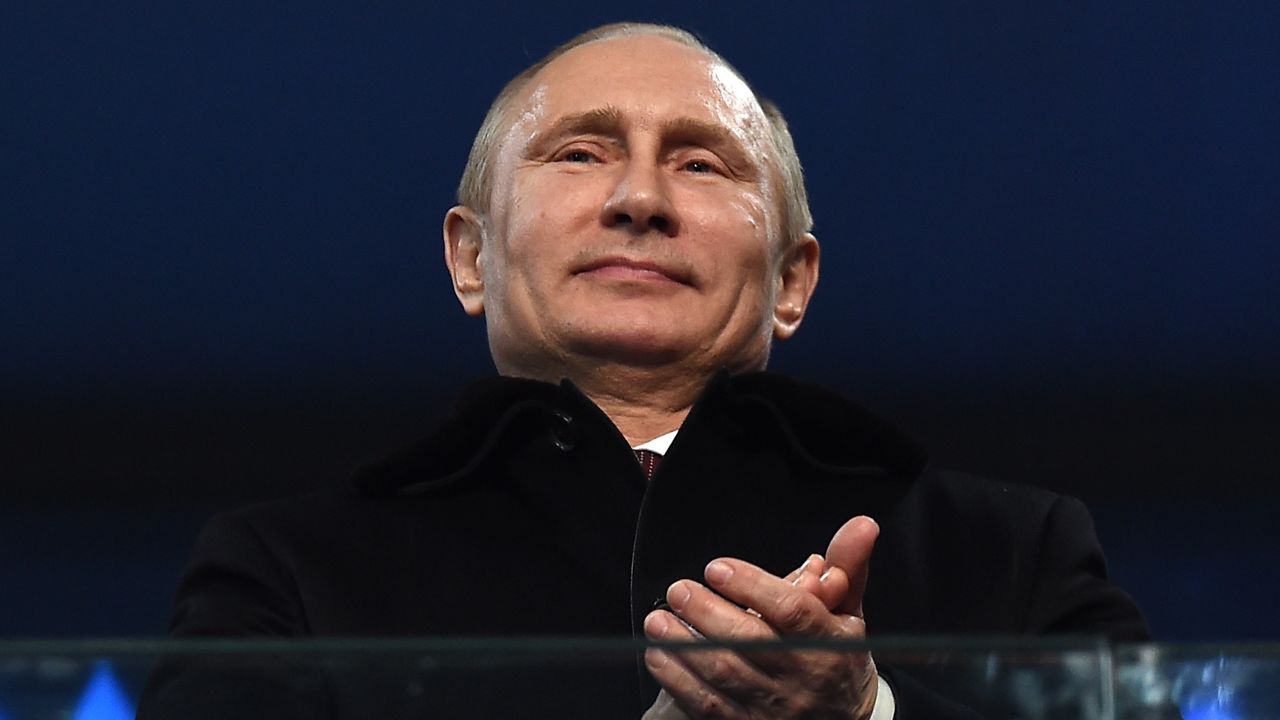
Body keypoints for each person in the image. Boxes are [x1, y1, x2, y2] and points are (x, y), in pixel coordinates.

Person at [143, 22, 1147, 720]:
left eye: (701, 163)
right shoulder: (290, 571)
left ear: (791, 280)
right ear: (470, 259)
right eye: (578, 154)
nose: (638, 199)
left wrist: (866, 713)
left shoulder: (1010, 550)